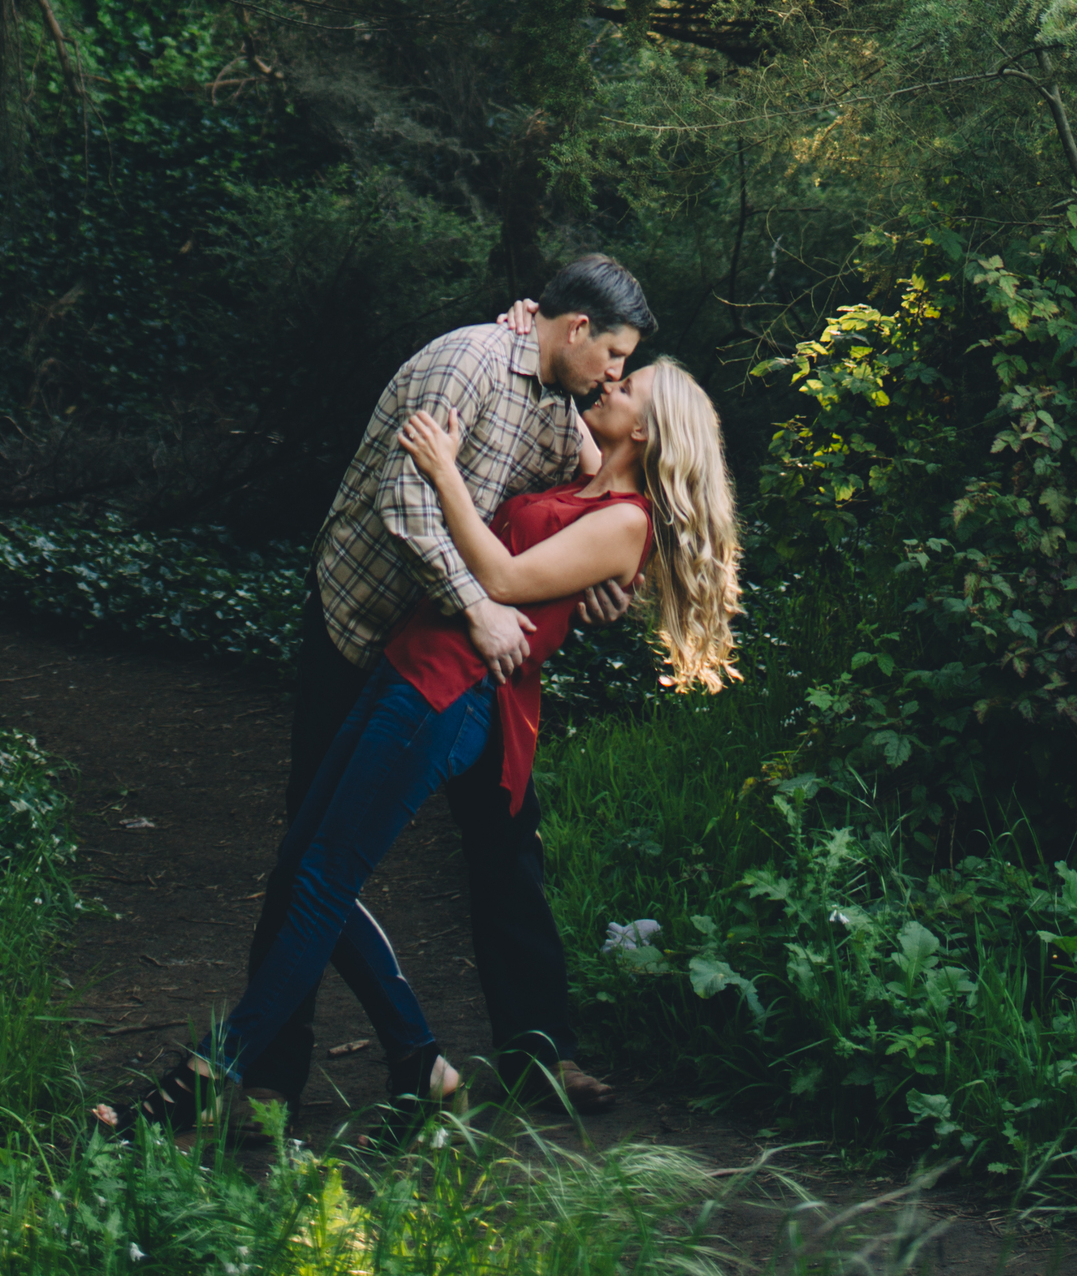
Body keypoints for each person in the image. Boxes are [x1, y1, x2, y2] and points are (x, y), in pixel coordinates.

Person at [99, 349, 739, 1138]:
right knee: (307, 866)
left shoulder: (625, 522)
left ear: (646, 427)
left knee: (324, 878)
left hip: (451, 694)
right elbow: (556, 356)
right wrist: (521, 322)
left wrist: (445, 475)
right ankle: (420, 1062)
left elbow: (504, 580)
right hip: (406, 666)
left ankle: (203, 1075)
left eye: (627, 384)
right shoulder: (589, 475)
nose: (611, 381)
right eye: (614, 368)